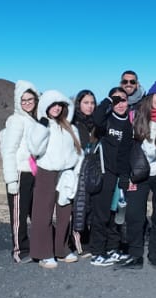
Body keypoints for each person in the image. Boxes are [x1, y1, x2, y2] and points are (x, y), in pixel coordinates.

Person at [25, 90, 84, 268]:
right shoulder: (40, 126)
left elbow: (79, 152)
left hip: (66, 174)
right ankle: (44, 253)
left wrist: (76, 172)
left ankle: (62, 249)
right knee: (43, 214)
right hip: (47, 173)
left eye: (60, 105)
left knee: (65, 213)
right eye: (53, 104)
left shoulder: (71, 128)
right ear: (46, 106)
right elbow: (35, 149)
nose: (57, 108)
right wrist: (43, 127)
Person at [124, 80, 156, 268]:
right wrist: (126, 175)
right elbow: (126, 148)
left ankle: (154, 253)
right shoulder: (134, 115)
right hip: (138, 173)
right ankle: (136, 255)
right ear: (151, 94)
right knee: (134, 214)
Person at [88, 87, 136, 266]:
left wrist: (125, 176)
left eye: (123, 100)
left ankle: (112, 249)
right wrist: (110, 99)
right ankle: (97, 253)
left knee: (117, 214)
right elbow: (96, 118)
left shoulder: (128, 125)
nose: (121, 104)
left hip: (119, 176)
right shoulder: (107, 120)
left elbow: (126, 153)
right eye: (117, 100)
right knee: (101, 215)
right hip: (104, 173)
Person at [0, 80, 40, 263]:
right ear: (18, 102)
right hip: (20, 173)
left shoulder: (33, 120)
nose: (27, 103)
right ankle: (19, 250)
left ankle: (35, 246)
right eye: (24, 100)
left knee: (34, 211)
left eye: (30, 99)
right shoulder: (16, 121)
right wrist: (11, 180)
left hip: (33, 173)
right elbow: (8, 150)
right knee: (18, 214)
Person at [68, 89, 100, 256]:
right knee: (79, 208)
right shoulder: (73, 125)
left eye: (92, 103)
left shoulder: (97, 124)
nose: (90, 106)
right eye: (86, 103)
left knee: (92, 207)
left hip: (93, 172)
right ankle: (78, 241)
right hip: (78, 171)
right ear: (79, 104)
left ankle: (90, 240)